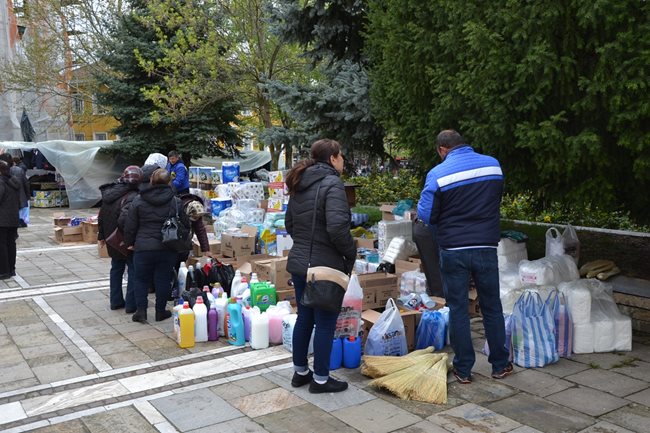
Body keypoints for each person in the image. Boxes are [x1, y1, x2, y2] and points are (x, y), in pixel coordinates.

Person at [417, 129, 512, 384]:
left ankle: (463, 369)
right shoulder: (493, 166)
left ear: (442, 150)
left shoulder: (438, 174)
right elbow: (494, 200)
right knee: (492, 306)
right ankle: (500, 365)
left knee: (458, 309)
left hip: (454, 250)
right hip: (486, 247)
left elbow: (426, 216)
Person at [285, 138, 356, 394]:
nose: (343, 161)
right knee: (325, 322)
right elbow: (338, 228)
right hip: (324, 266)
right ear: (333, 158)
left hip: (301, 262)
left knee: (304, 318)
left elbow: (290, 225)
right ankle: (322, 379)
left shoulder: (299, 183)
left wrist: (306, 246)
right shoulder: (332, 184)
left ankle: (300, 372)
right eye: (342, 156)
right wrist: (351, 254)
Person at [124, 169, 190, 323]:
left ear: (152, 181)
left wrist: (129, 243)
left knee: (140, 279)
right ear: (169, 182)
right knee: (163, 279)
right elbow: (186, 224)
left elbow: (130, 225)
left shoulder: (139, 200)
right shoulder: (175, 201)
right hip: (167, 247)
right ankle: (160, 311)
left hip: (143, 247)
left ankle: (141, 311)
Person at [97, 166, 143, 311]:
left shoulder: (109, 193)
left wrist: (102, 236)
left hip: (112, 239)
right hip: (125, 239)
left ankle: (115, 301)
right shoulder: (133, 196)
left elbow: (101, 216)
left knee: (116, 268)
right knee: (133, 269)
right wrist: (131, 241)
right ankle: (131, 304)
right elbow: (125, 221)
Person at [0, 160, 21, 279]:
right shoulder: (13, 181)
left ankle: (3, 271)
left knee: (2, 245)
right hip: (13, 218)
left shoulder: (1, 182)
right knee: (11, 244)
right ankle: (11, 269)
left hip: (2, 219)